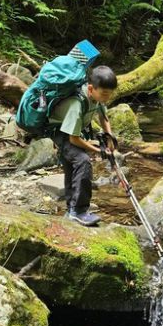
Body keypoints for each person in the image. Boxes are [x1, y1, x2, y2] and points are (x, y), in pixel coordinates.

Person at [49, 65, 119, 226]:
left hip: (72, 130)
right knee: (82, 161)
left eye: (110, 94)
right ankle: (79, 211)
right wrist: (98, 150)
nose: (107, 98)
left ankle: (71, 210)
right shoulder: (76, 103)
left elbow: (103, 116)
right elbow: (73, 139)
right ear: (90, 88)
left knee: (71, 166)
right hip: (60, 132)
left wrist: (109, 137)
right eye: (104, 94)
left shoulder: (97, 97)